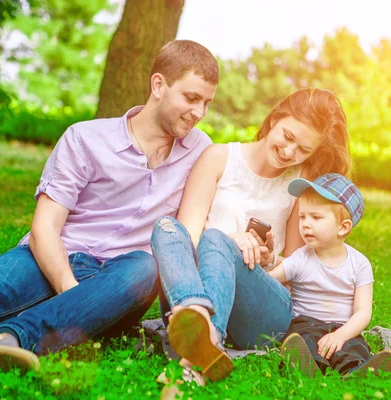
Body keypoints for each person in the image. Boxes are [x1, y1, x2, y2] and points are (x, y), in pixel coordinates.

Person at [0, 40, 219, 371]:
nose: (199, 113)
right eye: (191, 98)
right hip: (55, 257)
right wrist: (71, 293)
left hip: (122, 282)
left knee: (147, 266)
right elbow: (45, 228)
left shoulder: (201, 150)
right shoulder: (85, 138)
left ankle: (10, 340)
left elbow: (191, 228)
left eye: (207, 103)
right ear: (159, 85)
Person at [150, 88, 352, 382]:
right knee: (166, 228)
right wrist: (229, 243)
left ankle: (207, 340)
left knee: (217, 239)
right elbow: (188, 238)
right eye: (288, 136)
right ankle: (199, 317)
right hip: (197, 288)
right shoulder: (219, 157)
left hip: (259, 308)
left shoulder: (300, 183)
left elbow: (298, 266)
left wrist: (270, 260)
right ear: (275, 119)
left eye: (304, 150)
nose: (290, 152)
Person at [268, 173, 391, 377]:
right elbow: (268, 282)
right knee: (302, 340)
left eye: (316, 217)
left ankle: (358, 370)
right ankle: (305, 364)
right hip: (306, 323)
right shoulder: (300, 258)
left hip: (344, 327)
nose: (305, 224)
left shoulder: (360, 264)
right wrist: (264, 262)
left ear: (343, 227)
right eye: (302, 216)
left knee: (353, 347)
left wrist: (340, 335)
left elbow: (363, 312)